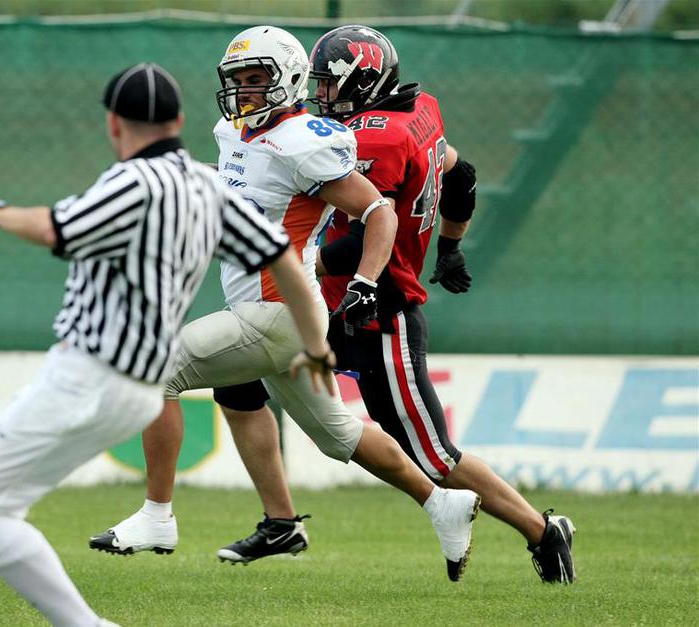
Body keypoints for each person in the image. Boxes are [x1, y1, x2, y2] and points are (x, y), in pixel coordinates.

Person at [0, 63, 342, 627]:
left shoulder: (132, 182)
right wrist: (317, 342)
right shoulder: (208, 186)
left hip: (89, 375)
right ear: (178, 120)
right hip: (140, 389)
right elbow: (281, 259)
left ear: (112, 124)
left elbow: (57, 229)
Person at [170, 26, 577, 584]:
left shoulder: (376, 137)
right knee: (239, 385)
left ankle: (541, 529)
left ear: (365, 82)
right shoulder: (419, 112)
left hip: (377, 311)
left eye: (332, 88)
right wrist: (451, 247)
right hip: (325, 309)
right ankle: (280, 520)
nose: (322, 98)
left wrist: (301, 261)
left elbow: (367, 229)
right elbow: (462, 174)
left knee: (434, 457)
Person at [89, 27, 482, 583]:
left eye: (258, 79)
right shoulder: (234, 130)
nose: (245, 92)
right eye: (238, 81)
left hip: (277, 315)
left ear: (290, 79)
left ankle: (158, 516)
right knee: (339, 435)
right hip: (273, 315)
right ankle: (443, 504)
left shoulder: (306, 139)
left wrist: (365, 282)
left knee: (154, 371)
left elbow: (380, 212)